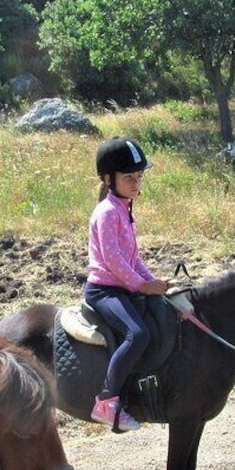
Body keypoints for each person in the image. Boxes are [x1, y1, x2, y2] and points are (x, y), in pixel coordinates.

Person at [85, 137, 168, 432]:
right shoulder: (107, 212)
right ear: (109, 179)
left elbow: (133, 259)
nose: (135, 183)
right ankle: (106, 401)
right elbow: (113, 260)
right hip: (104, 290)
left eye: (139, 177)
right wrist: (140, 286)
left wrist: (152, 281)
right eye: (128, 177)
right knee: (137, 333)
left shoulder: (125, 208)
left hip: (123, 285)